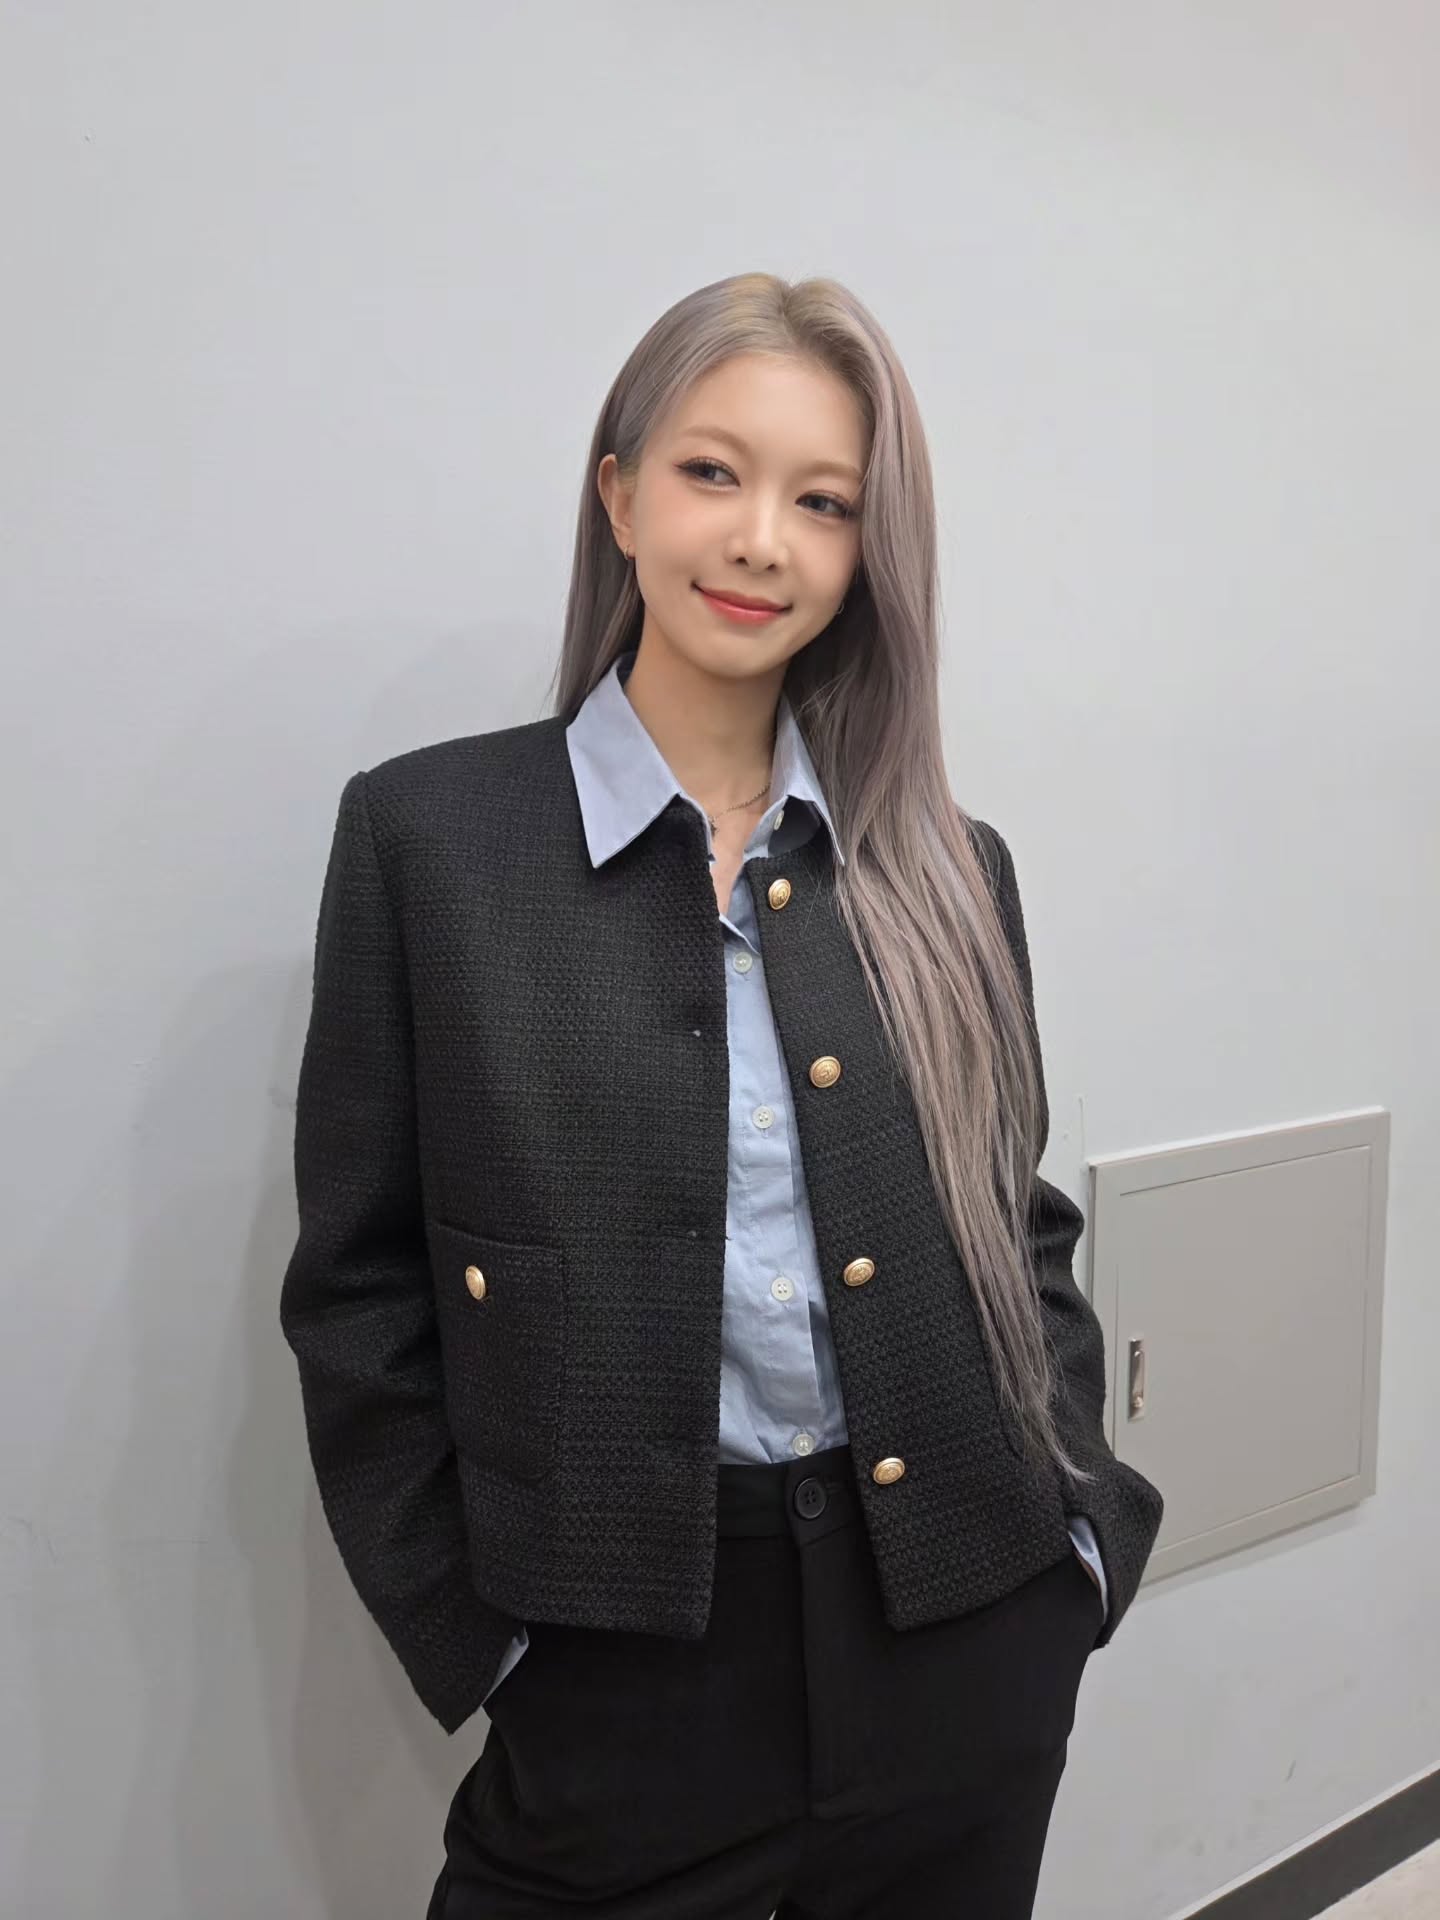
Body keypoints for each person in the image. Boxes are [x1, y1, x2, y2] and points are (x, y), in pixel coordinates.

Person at [279, 269, 1165, 1918]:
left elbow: (1018, 1224)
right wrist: (484, 1641)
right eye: (712, 472)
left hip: (963, 1637)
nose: (764, 541)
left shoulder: (947, 866)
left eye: (824, 502)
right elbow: (359, 1290)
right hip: (616, 1688)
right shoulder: (431, 844)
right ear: (619, 497)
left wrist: (1077, 1548)